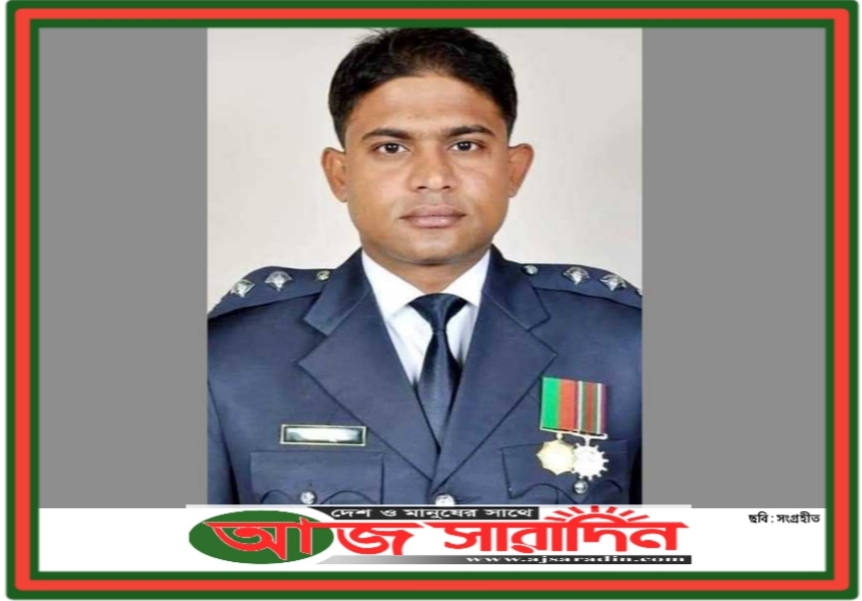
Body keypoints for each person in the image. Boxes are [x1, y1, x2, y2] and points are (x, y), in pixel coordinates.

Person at [208, 28, 641, 506]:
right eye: (391, 148)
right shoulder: (227, 358)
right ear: (340, 174)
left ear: (514, 169)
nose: (434, 178)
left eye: (465, 145)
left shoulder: (627, 346)